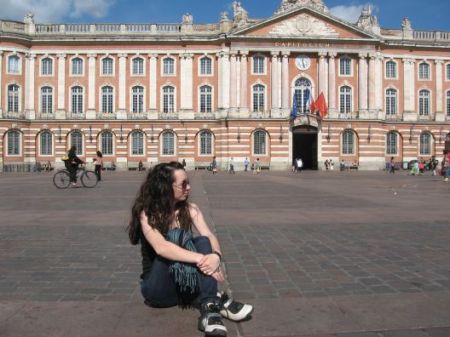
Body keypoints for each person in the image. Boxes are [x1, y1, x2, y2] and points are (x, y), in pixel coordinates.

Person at [127, 162, 253, 337]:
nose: (189, 187)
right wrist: (202, 258)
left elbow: (209, 235)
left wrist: (216, 256)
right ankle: (217, 298)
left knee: (201, 240)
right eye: (183, 184)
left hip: (182, 287)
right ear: (165, 187)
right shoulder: (147, 214)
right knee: (173, 242)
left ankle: (210, 308)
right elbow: (162, 248)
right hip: (157, 290)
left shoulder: (191, 209)